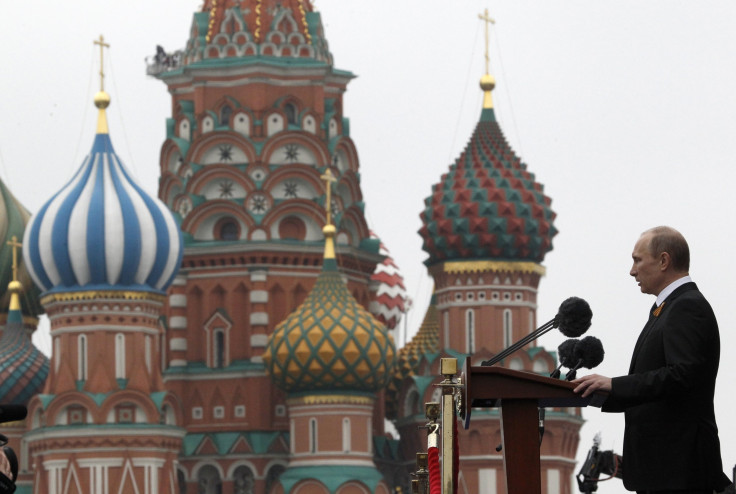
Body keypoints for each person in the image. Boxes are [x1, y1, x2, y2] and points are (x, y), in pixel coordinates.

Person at [573, 226, 732, 494]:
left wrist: (615, 385)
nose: (632, 271)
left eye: (637, 260)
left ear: (663, 261)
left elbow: (682, 375)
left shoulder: (686, 306)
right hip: (662, 470)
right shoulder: (666, 308)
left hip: (680, 470)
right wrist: (600, 393)